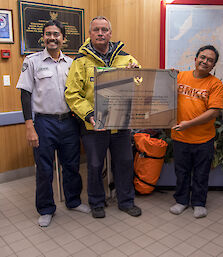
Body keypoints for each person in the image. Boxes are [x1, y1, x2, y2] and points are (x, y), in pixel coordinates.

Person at [65, 16, 142, 218]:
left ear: (110, 33)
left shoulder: (127, 58)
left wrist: (136, 75)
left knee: (125, 163)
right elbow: (72, 94)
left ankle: (126, 201)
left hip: (120, 125)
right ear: (90, 34)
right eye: (96, 30)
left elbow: (143, 84)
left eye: (104, 30)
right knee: (95, 165)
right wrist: (89, 115)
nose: (100, 33)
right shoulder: (80, 61)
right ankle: (97, 202)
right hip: (94, 126)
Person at [16, 20, 90, 227]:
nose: (52, 37)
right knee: (45, 169)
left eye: (56, 34)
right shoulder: (32, 61)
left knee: (72, 166)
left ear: (63, 38)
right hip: (43, 123)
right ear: (43, 37)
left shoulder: (72, 63)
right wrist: (29, 126)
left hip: (69, 122)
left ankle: (73, 201)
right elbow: (25, 94)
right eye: (48, 34)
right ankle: (46, 209)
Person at [170, 45, 223, 218]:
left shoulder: (215, 84)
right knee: (181, 172)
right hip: (180, 137)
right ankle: (181, 201)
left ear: (213, 65)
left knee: (201, 174)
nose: (205, 61)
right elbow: (163, 93)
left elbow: (214, 112)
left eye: (210, 60)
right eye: (202, 57)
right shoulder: (180, 76)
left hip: (203, 139)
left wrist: (189, 124)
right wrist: (167, 77)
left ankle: (199, 203)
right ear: (195, 59)